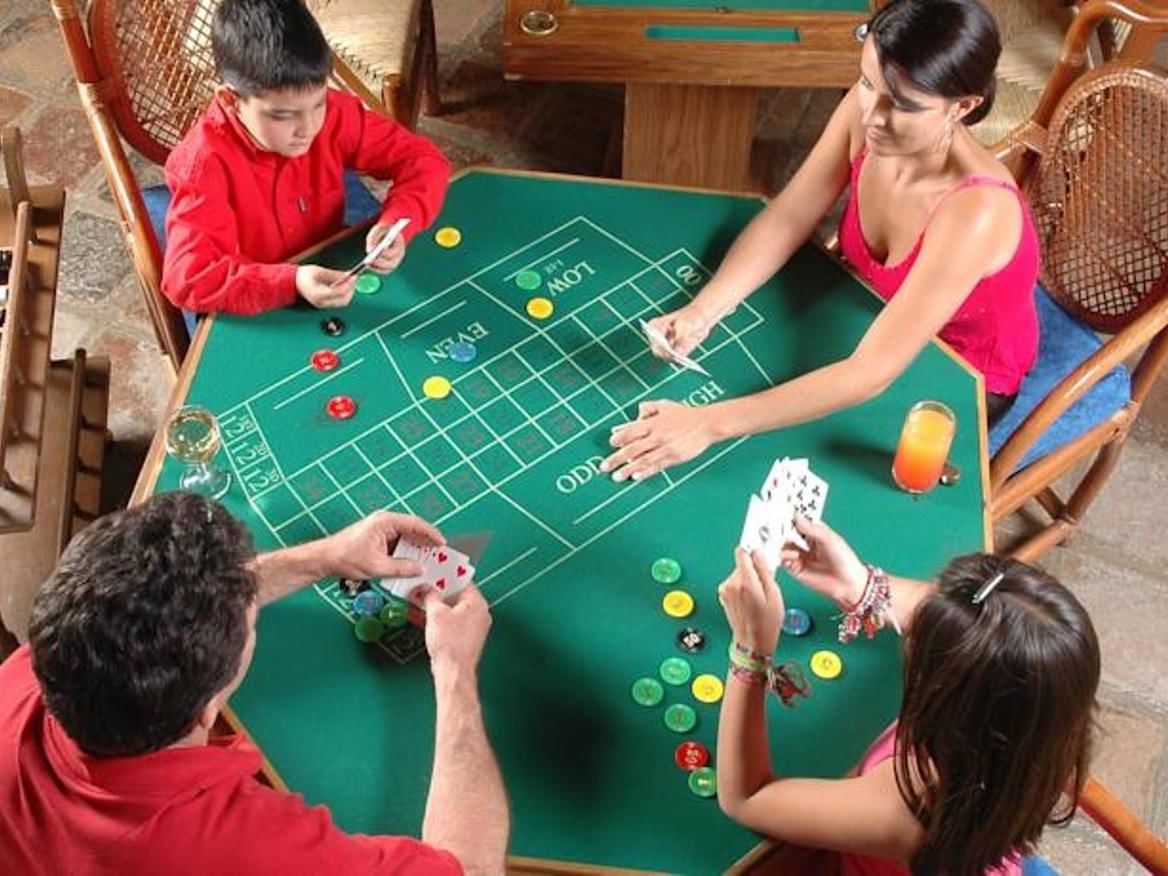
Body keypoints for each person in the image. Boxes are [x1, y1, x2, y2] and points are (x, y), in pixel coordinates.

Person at [603, 0, 1039, 483]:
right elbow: (790, 215)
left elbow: (871, 372)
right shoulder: (864, 109)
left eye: (904, 104)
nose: (874, 114)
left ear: (964, 106)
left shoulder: (975, 212)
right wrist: (705, 310)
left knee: (780, 467)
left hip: (956, 376)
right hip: (866, 313)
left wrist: (709, 422)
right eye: (870, 83)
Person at [0, 492, 509, 875]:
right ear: (207, 712)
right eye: (250, 623)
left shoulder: (38, 664)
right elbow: (470, 869)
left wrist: (324, 556)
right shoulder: (235, 849)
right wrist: (455, 670)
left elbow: (157, 605)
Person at [714, 517, 1099, 876]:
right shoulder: (1041, 716)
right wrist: (861, 585)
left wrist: (751, 649)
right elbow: (958, 615)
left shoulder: (911, 802)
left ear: (949, 692)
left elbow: (746, 798)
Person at [162, 0, 451, 317]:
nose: (309, 128)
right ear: (230, 100)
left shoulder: (335, 115)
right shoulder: (202, 165)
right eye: (283, 115)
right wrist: (291, 282)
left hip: (332, 267)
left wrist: (397, 222)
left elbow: (424, 160)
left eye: (318, 103)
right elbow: (187, 278)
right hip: (253, 297)